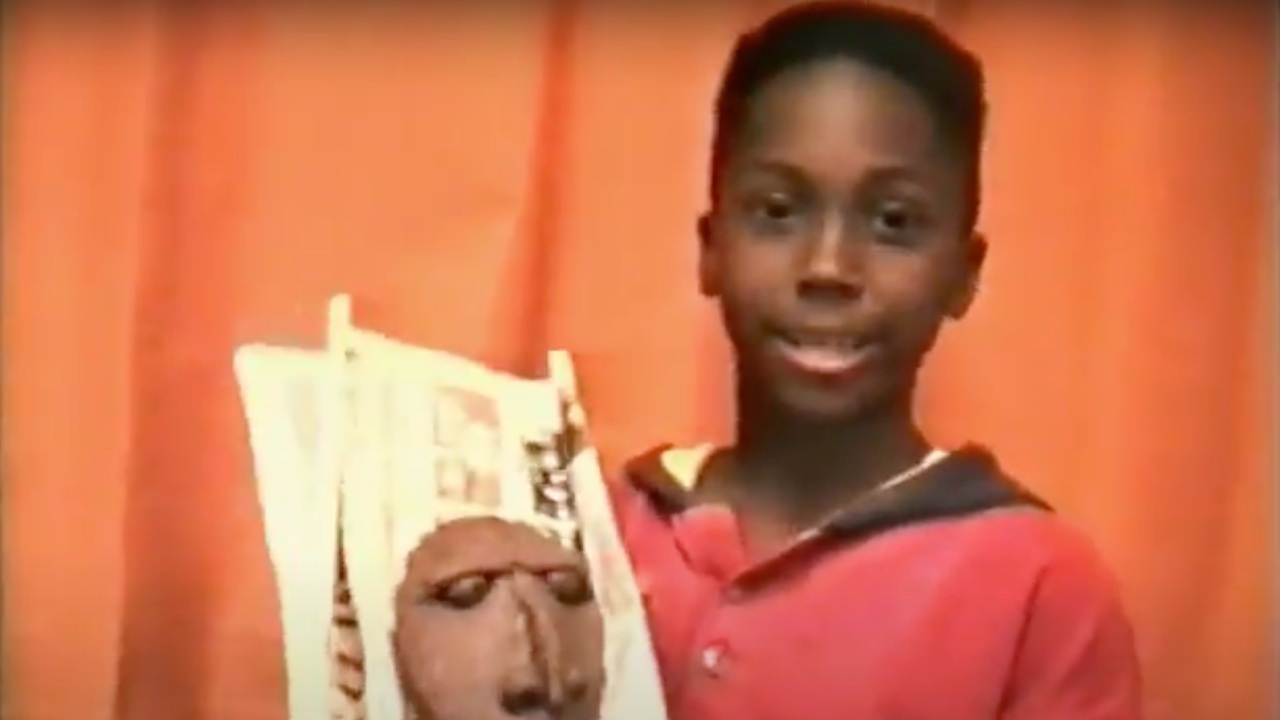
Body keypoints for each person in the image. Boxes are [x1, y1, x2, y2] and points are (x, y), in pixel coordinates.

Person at [609, 3, 1145, 719]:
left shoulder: (1043, 590)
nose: (828, 267)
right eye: (777, 209)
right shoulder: (604, 526)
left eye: (894, 221)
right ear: (710, 249)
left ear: (964, 273)